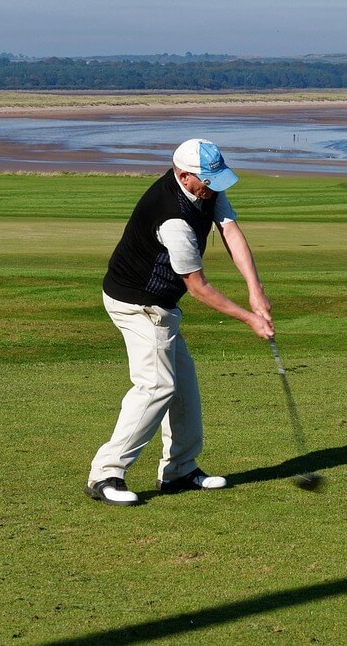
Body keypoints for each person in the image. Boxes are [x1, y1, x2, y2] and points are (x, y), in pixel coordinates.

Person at [86, 138, 274, 506]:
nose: (213, 188)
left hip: (163, 304)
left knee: (183, 385)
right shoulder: (173, 218)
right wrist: (248, 317)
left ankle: (179, 470)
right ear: (184, 177)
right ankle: (106, 473)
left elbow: (230, 230)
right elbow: (198, 286)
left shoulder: (205, 191)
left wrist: (256, 289)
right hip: (137, 303)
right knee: (157, 386)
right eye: (206, 181)